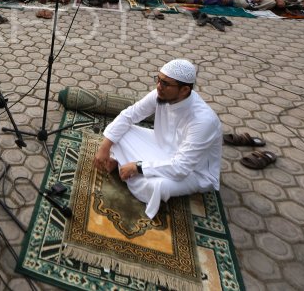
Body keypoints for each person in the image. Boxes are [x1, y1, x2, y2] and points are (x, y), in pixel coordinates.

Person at [93, 59, 222, 219]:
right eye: (158, 79)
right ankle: (123, 167)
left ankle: (123, 165)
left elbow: (181, 168)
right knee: (122, 131)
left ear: (184, 90)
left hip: (194, 172)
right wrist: (104, 148)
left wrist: (137, 167)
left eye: (165, 83)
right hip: (162, 148)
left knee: (158, 186)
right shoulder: (161, 94)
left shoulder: (203, 120)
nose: (158, 86)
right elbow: (129, 115)